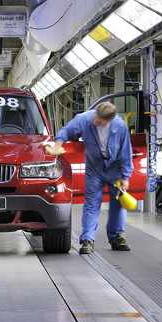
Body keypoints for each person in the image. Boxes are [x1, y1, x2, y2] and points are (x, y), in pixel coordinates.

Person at [46, 101, 133, 255]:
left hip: (115, 169)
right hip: (94, 168)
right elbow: (67, 130)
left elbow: (126, 152)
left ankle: (117, 237)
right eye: (96, 116)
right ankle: (87, 240)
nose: (96, 120)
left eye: (100, 120)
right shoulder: (85, 119)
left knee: (118, 203)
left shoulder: (120, 126)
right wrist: (57, 145)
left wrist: (126, 177)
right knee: (92, 204)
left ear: (109, 120)